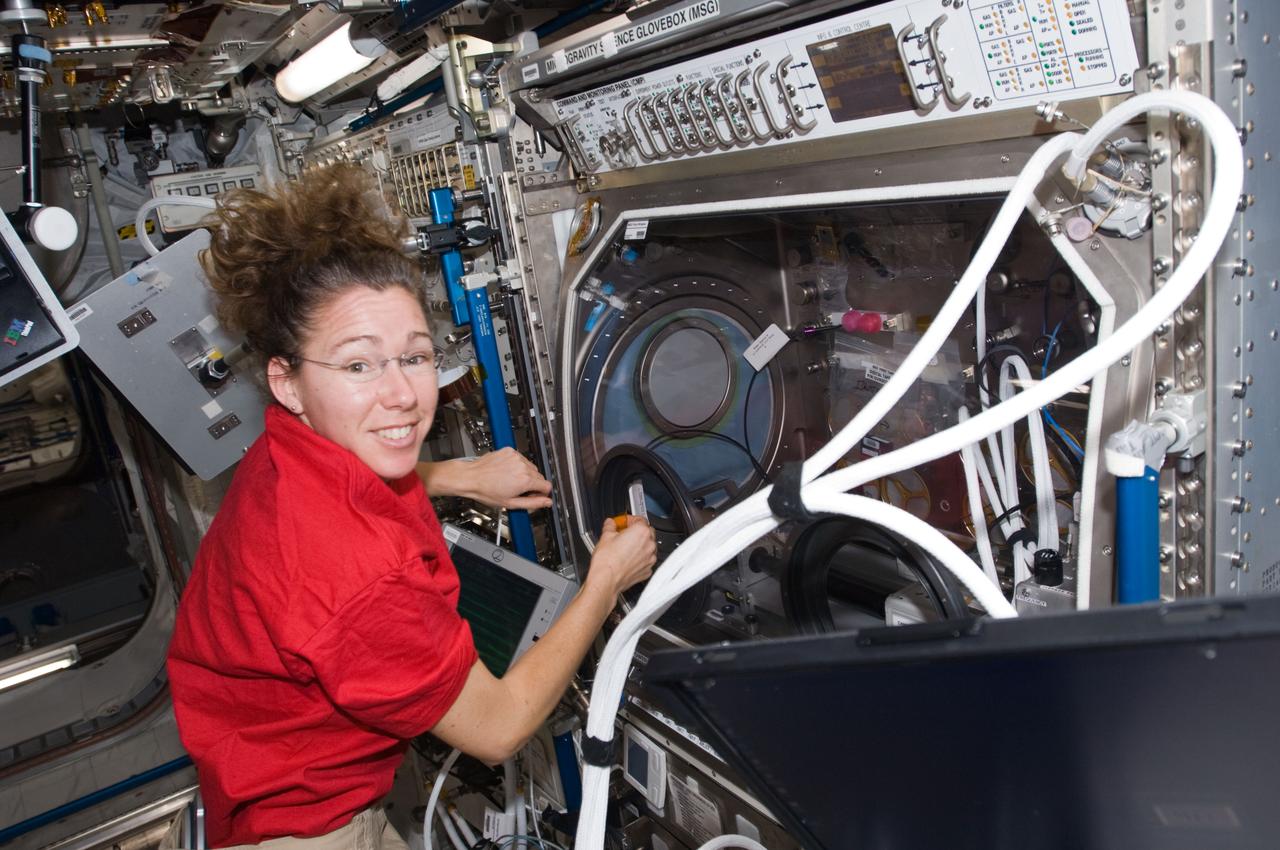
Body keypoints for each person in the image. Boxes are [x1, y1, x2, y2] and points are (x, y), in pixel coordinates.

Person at [166, 164, 656, 850]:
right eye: (359, 365)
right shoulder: (359, 579)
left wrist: (458, 476)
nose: (401, 395)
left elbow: (347, 488)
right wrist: (605, 581)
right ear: (289, 381)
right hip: (308, 830)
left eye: (416, 357)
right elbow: (498, 727)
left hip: (255, 779)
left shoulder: (286, 453)